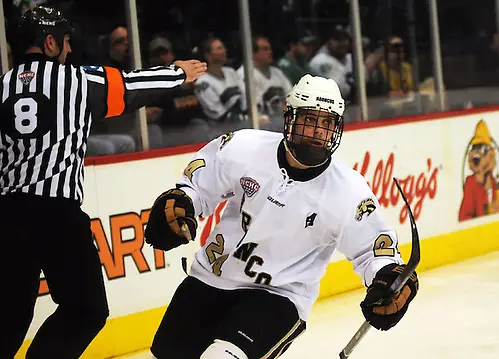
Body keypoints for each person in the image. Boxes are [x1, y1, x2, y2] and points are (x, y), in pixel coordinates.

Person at [144, 74, 419, 359]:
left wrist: (390, 279)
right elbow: (197, 187)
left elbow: (374, 251)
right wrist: (182, 202)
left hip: (277, 298)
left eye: (326, 123)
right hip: (208, 280)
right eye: (310, 120)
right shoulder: (244, 147)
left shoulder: (349, 191)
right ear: (289, 118)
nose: (317, 131)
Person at [0, 6, 206, 359]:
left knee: (8, 319)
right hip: (57, 216)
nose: (67, 51)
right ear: (49, 42)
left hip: (6, 214)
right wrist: (176, 74)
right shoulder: (78, 81)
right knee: (86, 310)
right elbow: (130, 88)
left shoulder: (2, 87)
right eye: (64, 43)